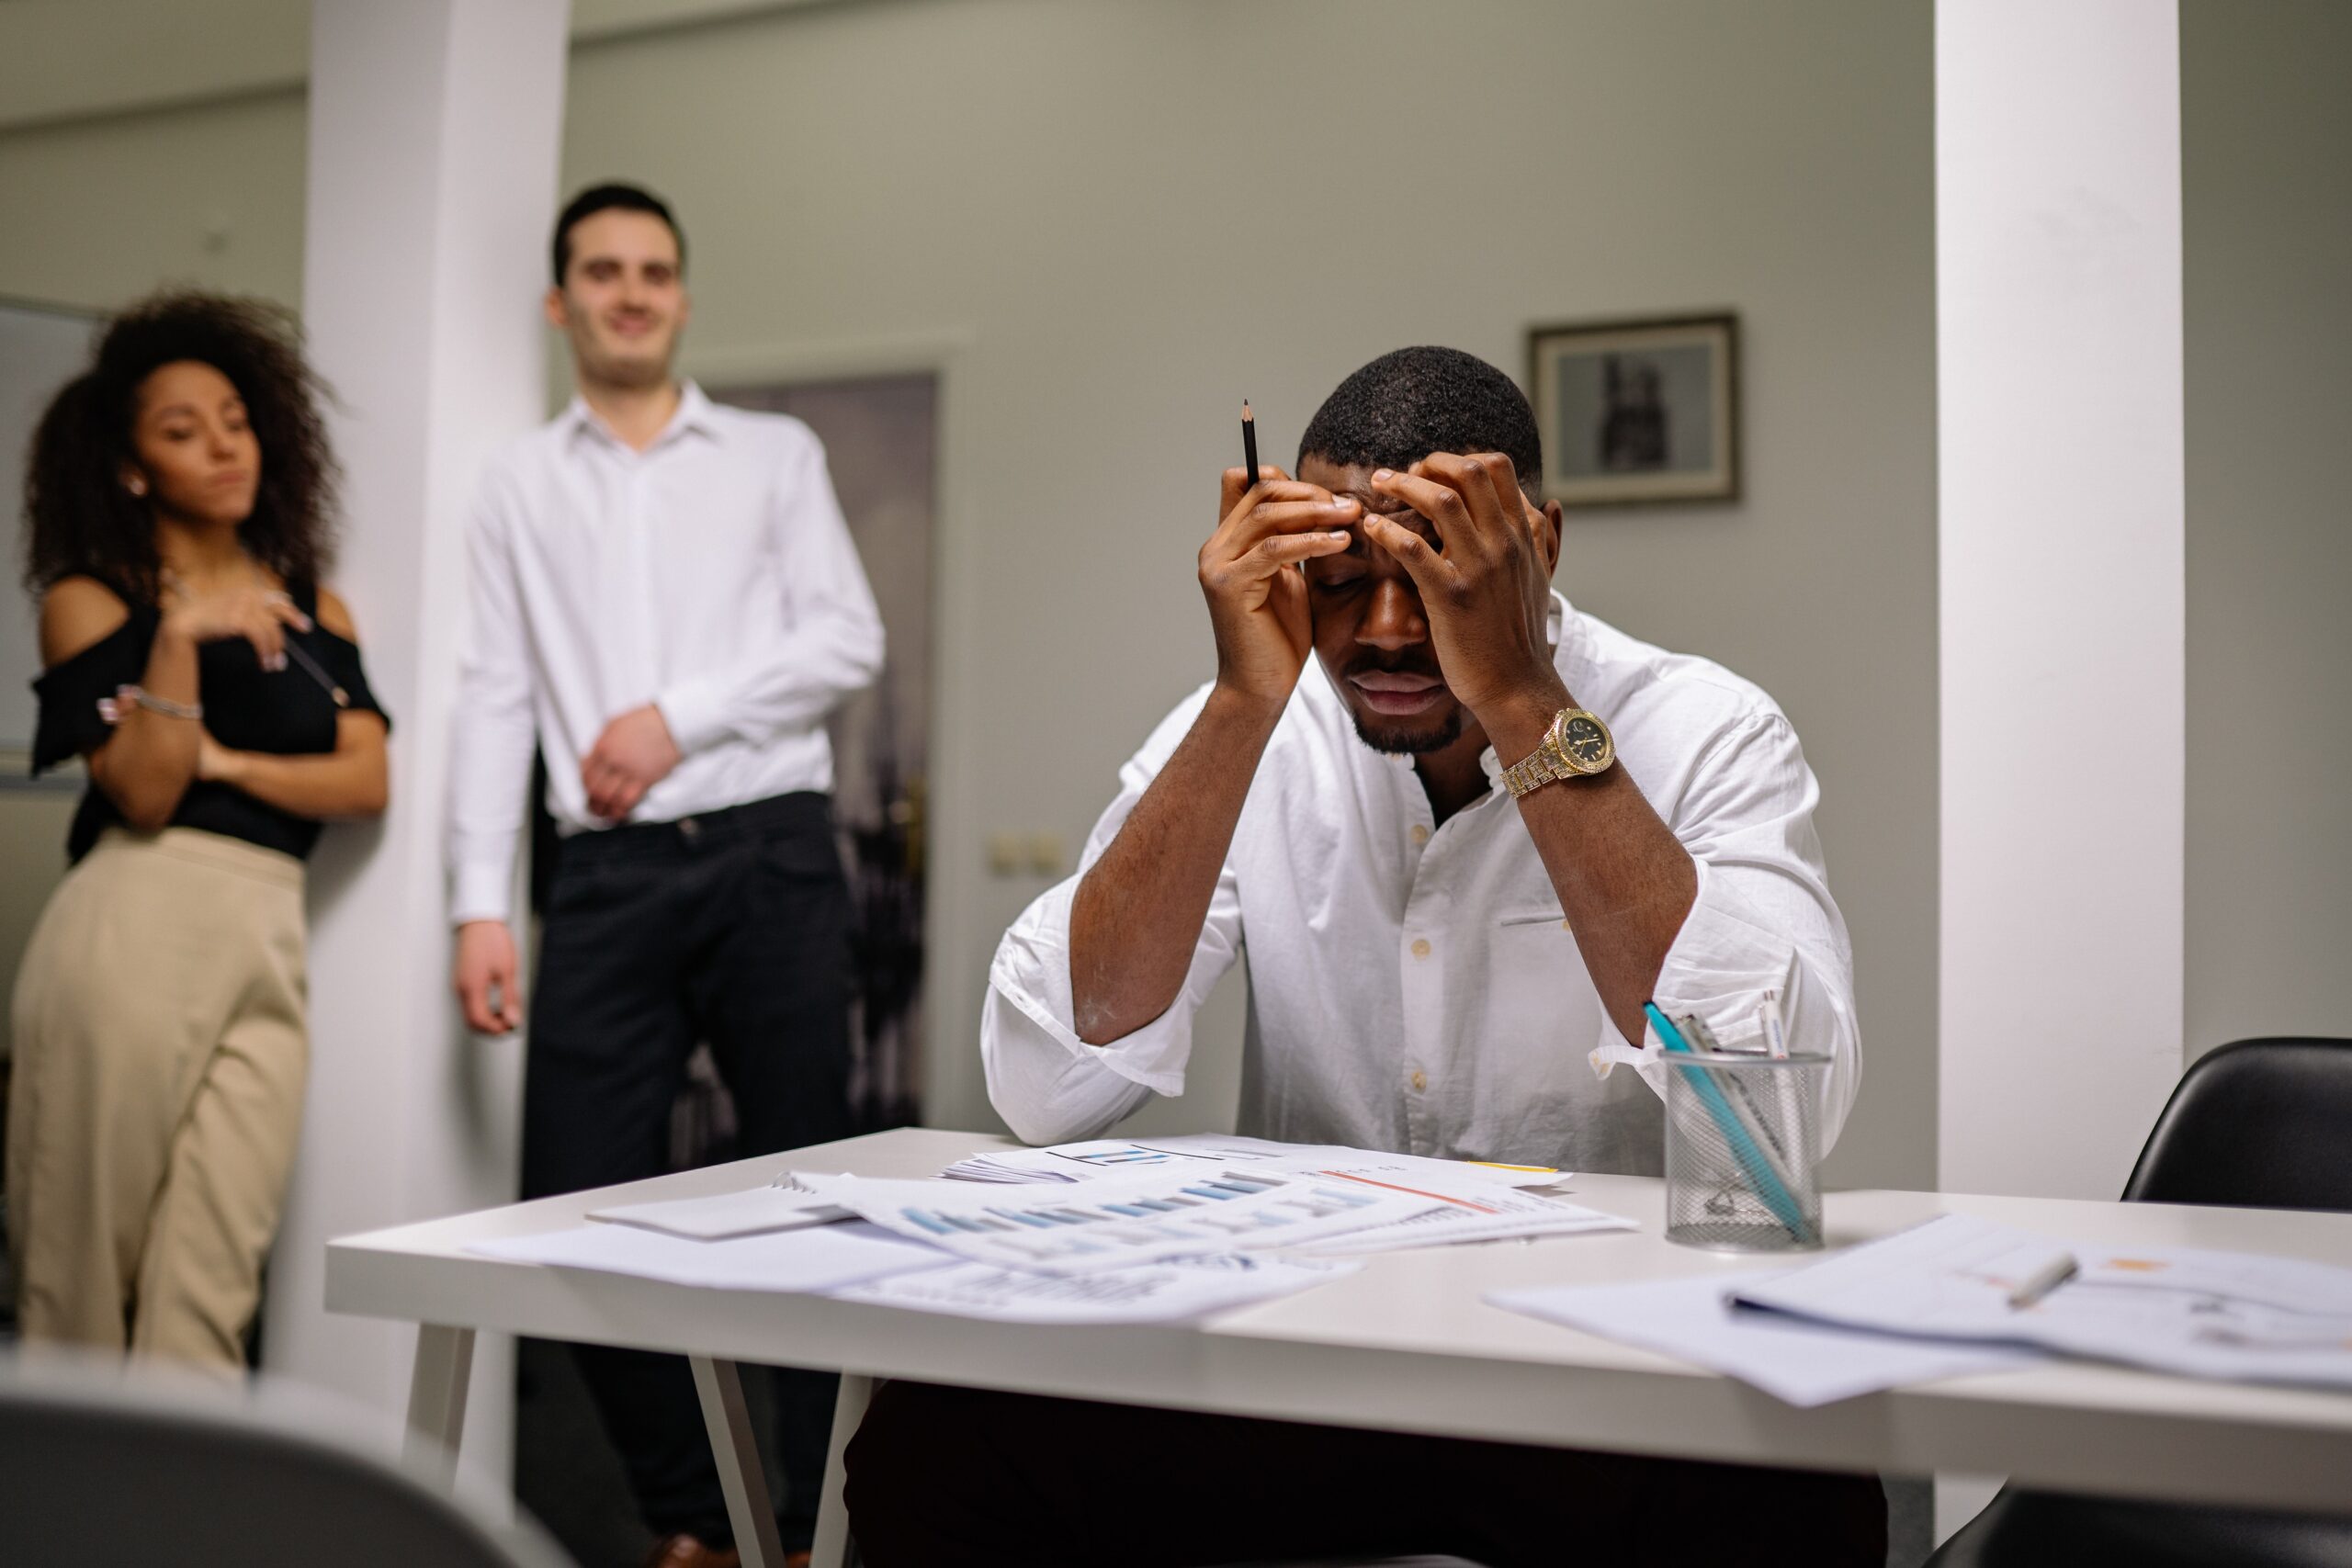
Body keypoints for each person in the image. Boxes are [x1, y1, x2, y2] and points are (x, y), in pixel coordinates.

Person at [844, 346, 1878, 1566]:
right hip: (1302, 1366)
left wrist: (1520, 701)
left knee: (1798, 1496)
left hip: (1604, 1375)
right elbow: (1044, 1079)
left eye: (1435, 577)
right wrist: (1241, 704)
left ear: (1536, 545)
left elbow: (1773, 1113)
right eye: (1340, 582)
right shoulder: (1255, 713)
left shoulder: (1703, 726)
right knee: (941, 1433)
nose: (1386, 632)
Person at [447, 184, 883, 1568]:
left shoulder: (774, 454)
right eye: (601, 269)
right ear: (560, 301)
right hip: (605, 877)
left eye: (652, 270)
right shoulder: (516, 482)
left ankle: (814, 1521)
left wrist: (672, 716)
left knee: (811, 1192)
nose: (629, 291)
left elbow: (845, 637)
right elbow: (491, 693)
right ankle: (698, 1513)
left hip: (769, 852)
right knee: (570, 1201)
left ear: (682, 297)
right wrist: (475, 900)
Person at [7, 292, 390, 1370]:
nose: (224, 445)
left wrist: (229, 758)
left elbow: (367, 779)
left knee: (213, 1282)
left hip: (268, 929)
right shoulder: (93, 601)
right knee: (78, 1272)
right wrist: (178, 637)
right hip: (136, 917)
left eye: (234, 416)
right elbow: (143, 791)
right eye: (182, 431)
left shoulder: (316, 606)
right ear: (132, 466)